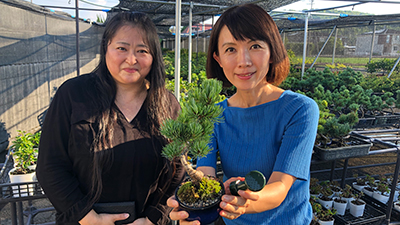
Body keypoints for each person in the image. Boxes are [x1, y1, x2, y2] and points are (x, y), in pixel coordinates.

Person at [167, 3, 319, 225]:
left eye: (255, 46)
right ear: (218, 58)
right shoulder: (214, 114)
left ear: (272, 52)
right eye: (231, 49)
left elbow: (279, 187)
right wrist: (195, 204)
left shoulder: (299, 110)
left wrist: (243, 203)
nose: (243, 61)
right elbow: (206, 172)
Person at [36, 12, 184, 225]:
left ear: (154, 57)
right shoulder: (74, 95)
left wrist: (154, 218)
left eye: (142, 51)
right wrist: (87, 217)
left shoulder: (167, 105)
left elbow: (177, 170)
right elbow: (50, 166)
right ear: (106, 47)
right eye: (122, 48)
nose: (131, 59)